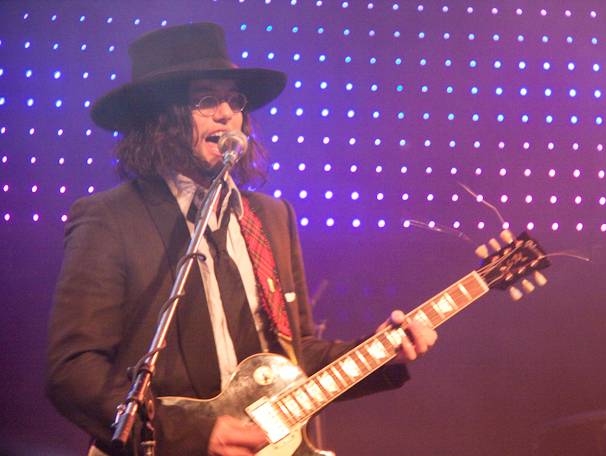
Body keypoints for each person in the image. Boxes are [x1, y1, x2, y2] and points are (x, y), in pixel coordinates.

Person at [45, 22, 437, 456]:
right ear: (160, 119)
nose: (226, 113)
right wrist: (190, 434)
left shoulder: (270, 217)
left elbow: (294, 356)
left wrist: (380, 353)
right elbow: (73, 372)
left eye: (234, 100)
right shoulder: (111, 218)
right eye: (205, 100)